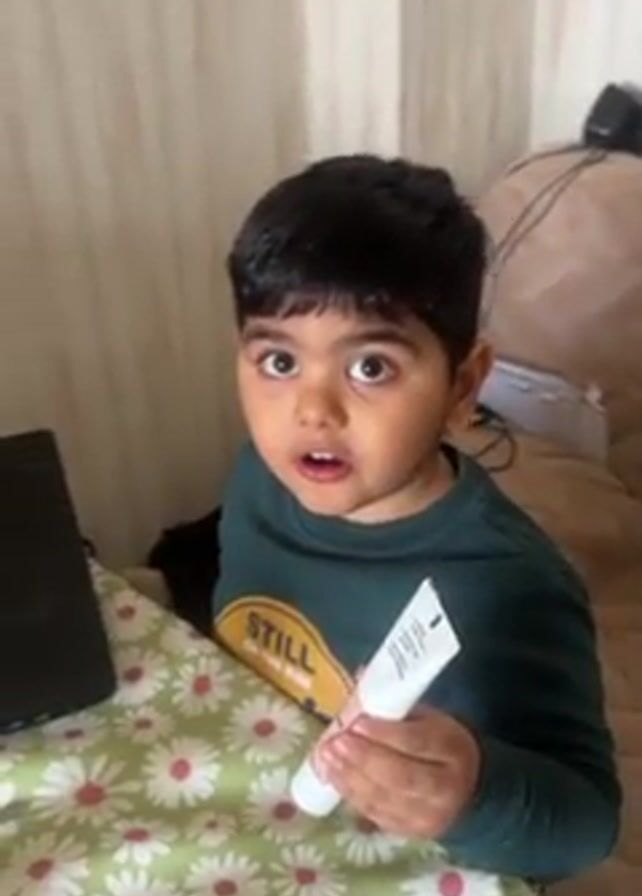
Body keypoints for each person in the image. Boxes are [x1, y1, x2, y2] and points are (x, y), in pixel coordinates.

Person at [212, 155, 620, 882]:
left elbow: (587, 825)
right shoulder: (256, 479)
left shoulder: (513, 585)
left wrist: (472, 794)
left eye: (370, 367)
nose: (312, 411)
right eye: (278, 362)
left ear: (462, 388)